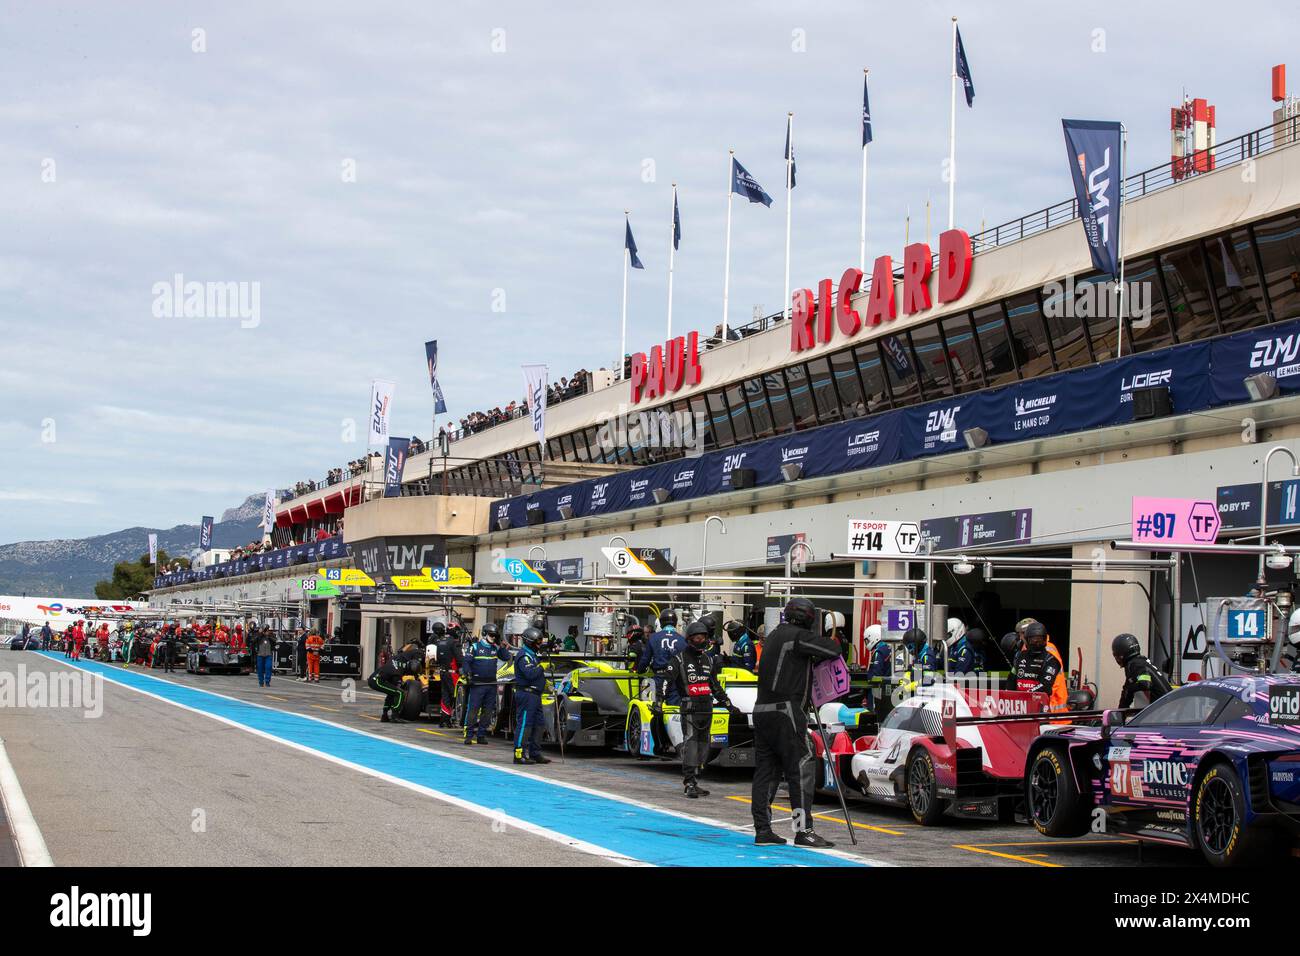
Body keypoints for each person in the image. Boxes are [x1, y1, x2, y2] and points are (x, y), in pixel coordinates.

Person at [750, 597, 841, 849]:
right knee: (801, 767)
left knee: (766, 771)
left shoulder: (773, 636)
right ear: (809, 618)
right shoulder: (799, 637)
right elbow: (833, 650)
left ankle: (762, 830)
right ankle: (804, 831)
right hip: (786, 710)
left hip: (762, 709)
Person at [664, 619, 732, 798]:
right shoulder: (678, 659)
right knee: (691, 744)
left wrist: (728, 704)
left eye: (704, 637)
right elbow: (666, 680)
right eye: (697, 637)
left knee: (703, 746)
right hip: (689, 707)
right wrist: (658, 701)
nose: (701, 640)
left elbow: (714, 686)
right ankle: (689, 783)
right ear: (689, 639)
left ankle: (696, 779)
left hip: (706, 707)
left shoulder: (708, 659)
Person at [463, 624, 510, 744]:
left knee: (488, 711)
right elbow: (466, 662)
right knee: (473, 710)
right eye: (491, 635)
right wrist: (467, 674)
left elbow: (506, 657)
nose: (493, 637)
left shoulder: (496, 648)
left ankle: (481, 735)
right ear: (484, 634)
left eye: (495, 636)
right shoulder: (474, 647)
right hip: (477, 684)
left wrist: (502, 646)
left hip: (491, 685)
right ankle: (469, 734)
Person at [512, 627, 552, 765]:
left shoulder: (533, 655)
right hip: (526, 694)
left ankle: (535, 752)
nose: (540, 644)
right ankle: (519, 754)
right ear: (530, 642)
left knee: (539, 724)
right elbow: (529, 674)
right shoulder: (524, 656)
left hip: (535, 695)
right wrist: (542, 667)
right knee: (525, 724)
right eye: (538, 641)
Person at [1013, 622, 1067, 712]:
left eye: (1023, 633)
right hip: (1032, 705)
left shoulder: (1048, 652)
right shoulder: (1025, 652)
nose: (1020, 637)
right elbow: (1015, 676)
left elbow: (1046, 684)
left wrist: (1026, 695)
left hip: (1052, 707)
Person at [1112, 633, 1172, 708]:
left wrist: (1130, 689)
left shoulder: (1137, 665)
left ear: (1121, 655)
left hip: (1165, 707)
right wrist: (1120, 712)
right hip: (1166, 704)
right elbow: (1126, 693)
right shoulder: (1138, 662)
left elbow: (1145, 684)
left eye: (1116, 656)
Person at [638, 611, 684, 704]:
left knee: (653, 707)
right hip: (675, 680)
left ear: (661, 622)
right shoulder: (682, 640)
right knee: (673, 710)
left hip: (659, 678)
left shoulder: (654, 638)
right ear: (675, 622)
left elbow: (645, 659)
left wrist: (640, 670)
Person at [368, 649, 422, 722]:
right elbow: (397, 685)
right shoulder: (398, 672)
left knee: (392, 693)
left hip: (375, 678)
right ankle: (395, 716)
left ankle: (385, 715)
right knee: (400, 693)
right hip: (377, 681)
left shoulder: (400, 663)